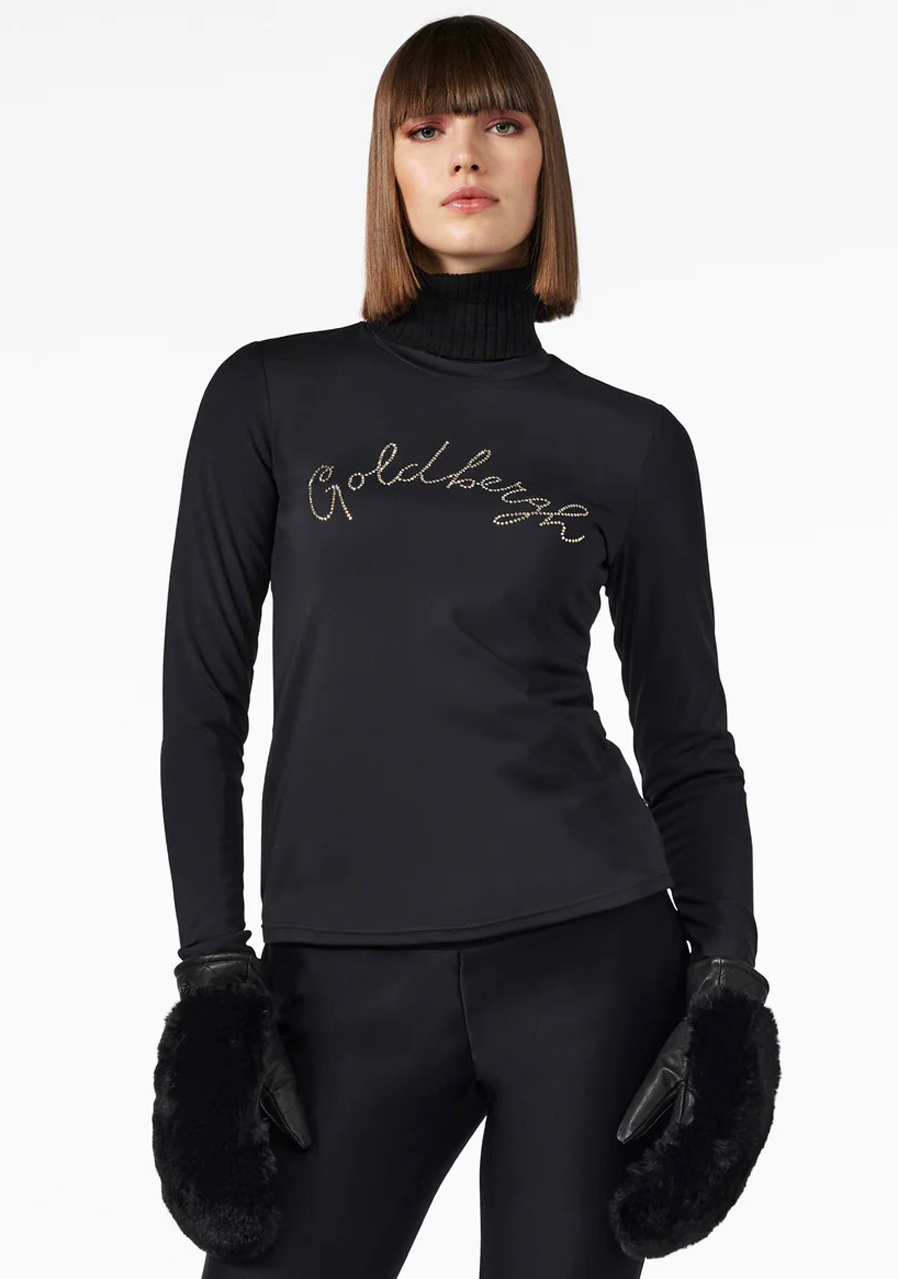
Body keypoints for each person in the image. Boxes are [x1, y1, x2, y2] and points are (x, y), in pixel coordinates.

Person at [152, 14, 780, 1278]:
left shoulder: (631, 444)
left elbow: (688, 742)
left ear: (545, 159)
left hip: (588, 963)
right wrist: (216, 972)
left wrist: (726, 988)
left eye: (502, 122)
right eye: (426, 127)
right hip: (337, 985)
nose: (465, 156)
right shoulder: (268, 398)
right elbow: (203, 712)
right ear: (387, 166)